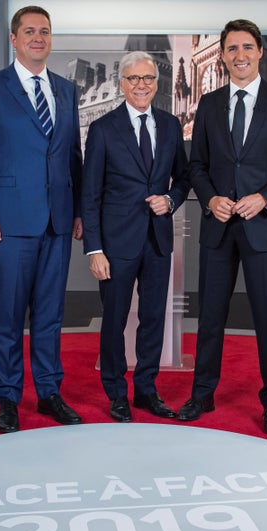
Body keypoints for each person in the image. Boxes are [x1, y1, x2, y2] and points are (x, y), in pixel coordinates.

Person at [177, 20, 267, 434]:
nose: (240, 55)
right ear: (222, 55)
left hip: (263, 226)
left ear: (261, 52)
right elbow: (195, 165)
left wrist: (266, 197)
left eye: (247, 47)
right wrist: (211, 197)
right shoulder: (210, 104)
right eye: (231, 48)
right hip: (218, 226)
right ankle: (202, 394)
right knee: (210, 315)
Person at [0, 5, 83, 431]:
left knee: (51, 315)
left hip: (57, 220)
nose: (38, 37)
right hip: (9, 223)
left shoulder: (66, 90)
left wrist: (79, 212)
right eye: (30, 31)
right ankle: (8, 397)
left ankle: (49, 392)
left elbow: (73, 156)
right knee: (11, 315)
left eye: (45, 31)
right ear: (13, 39)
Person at [81, 51, 190, 422]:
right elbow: (90, 194)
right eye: (133, 79)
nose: (141, 85)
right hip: (115, 243)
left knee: (153, 318)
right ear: (121, 83)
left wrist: (171, 199)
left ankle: (146, 389)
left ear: (156, 83)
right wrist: (94, 248)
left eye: (147, 79)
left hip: (158, 240)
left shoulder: (171, 125)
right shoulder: (103, 129)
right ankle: (116, 392)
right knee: (114, 319)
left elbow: (185, 178)